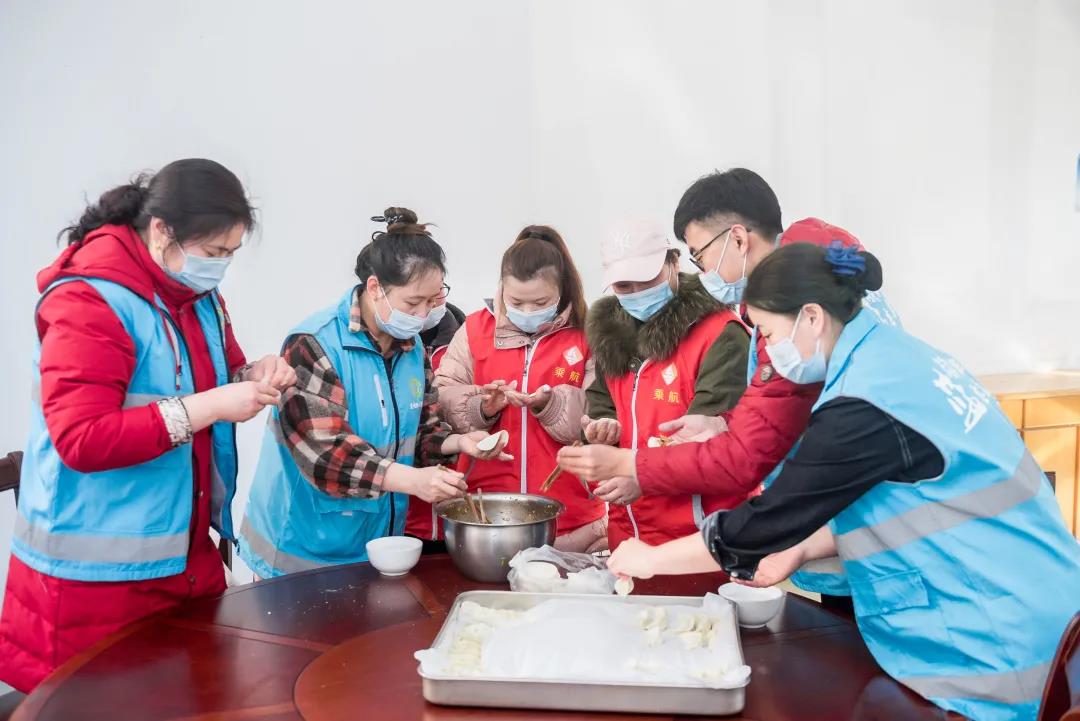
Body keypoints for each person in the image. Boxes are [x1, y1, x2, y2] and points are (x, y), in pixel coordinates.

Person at [607, 242, 1080, 721]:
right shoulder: (899, 359)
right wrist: (802, 548)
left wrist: (650, 559)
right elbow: (915, 500)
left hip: (999, 634)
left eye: (768, 333)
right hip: (1040, 598)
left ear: (811, 317)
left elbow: (767, 520)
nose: (770, 354)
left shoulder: (865, 401)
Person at [0, 159, 286, 692]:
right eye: (214, 252)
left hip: (179, 561)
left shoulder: (196, 295)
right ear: (161, 232)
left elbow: (220, 372)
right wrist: (211, 406)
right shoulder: (90, 299)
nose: (221, 267)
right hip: (94, 582)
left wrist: (255, 374)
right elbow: (80, 439)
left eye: (231, 254)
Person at [558, 168, 898, 601]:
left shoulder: (789, 309)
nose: (703, 271)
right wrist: (724, 424)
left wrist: (630, 465)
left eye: (699, 254)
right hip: (842, 531)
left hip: (859, 534)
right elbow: (778, 422)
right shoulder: (821, 288)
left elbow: (745, 458)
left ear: (737, 239)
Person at [238, 208, 508, 578]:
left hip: (375, 545)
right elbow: (326, 454)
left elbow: (422, 429)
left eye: (434, 300)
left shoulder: (411, 348)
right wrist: (413, 481)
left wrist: (458, 443)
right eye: (413, 303)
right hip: (301, 551)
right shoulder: (314, 344)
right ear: (376, 287)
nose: (423, 315)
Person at [418, 226, 605, 552]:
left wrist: (550, 404)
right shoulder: (475, 329)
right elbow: (440, 400)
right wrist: (482, 407)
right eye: (517, 301)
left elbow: (603, 414)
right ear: (502, 287)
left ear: (562, 289)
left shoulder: (589, 333)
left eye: (540, 302)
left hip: (571, 514)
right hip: (485, 511)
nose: (528, 312)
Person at [580, 219, 751, 551]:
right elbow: (603, 399)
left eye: (647, 280)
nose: (636, 293)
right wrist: (603, 426)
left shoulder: (721, 335)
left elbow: (714, 442)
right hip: (628, 533)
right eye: (623, 286)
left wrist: (644, 477)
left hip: (699, 536)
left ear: (674, 261)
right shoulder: (611, 336)